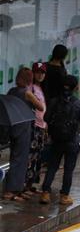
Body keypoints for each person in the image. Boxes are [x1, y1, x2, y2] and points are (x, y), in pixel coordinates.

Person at [41, 75, 80, 206]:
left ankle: (45, 193)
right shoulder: (77, 103)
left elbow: (46, 117)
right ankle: (64, 196)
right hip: (72, 141)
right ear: (75, 88)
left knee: (52, 166)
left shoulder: (54, 101)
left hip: (56, 140)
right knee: (69, 169)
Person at [2, 69, 39, 201]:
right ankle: (11, 190)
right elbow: (40, 107)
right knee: (20, 158)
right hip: (23, 127)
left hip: (12, 126)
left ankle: (14, 188)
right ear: (29, 80)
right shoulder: (27, 93)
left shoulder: (12, 91)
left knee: (14, 157)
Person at [25, 63, 49, 193]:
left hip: (41, 126)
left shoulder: (40, 88)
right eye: (38, 72)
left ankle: (31, 183)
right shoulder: (30, 88)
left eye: (42, 73)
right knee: (30, 157)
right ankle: (26, 185)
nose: (40, 75)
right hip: (34, 126)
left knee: (37, 157)